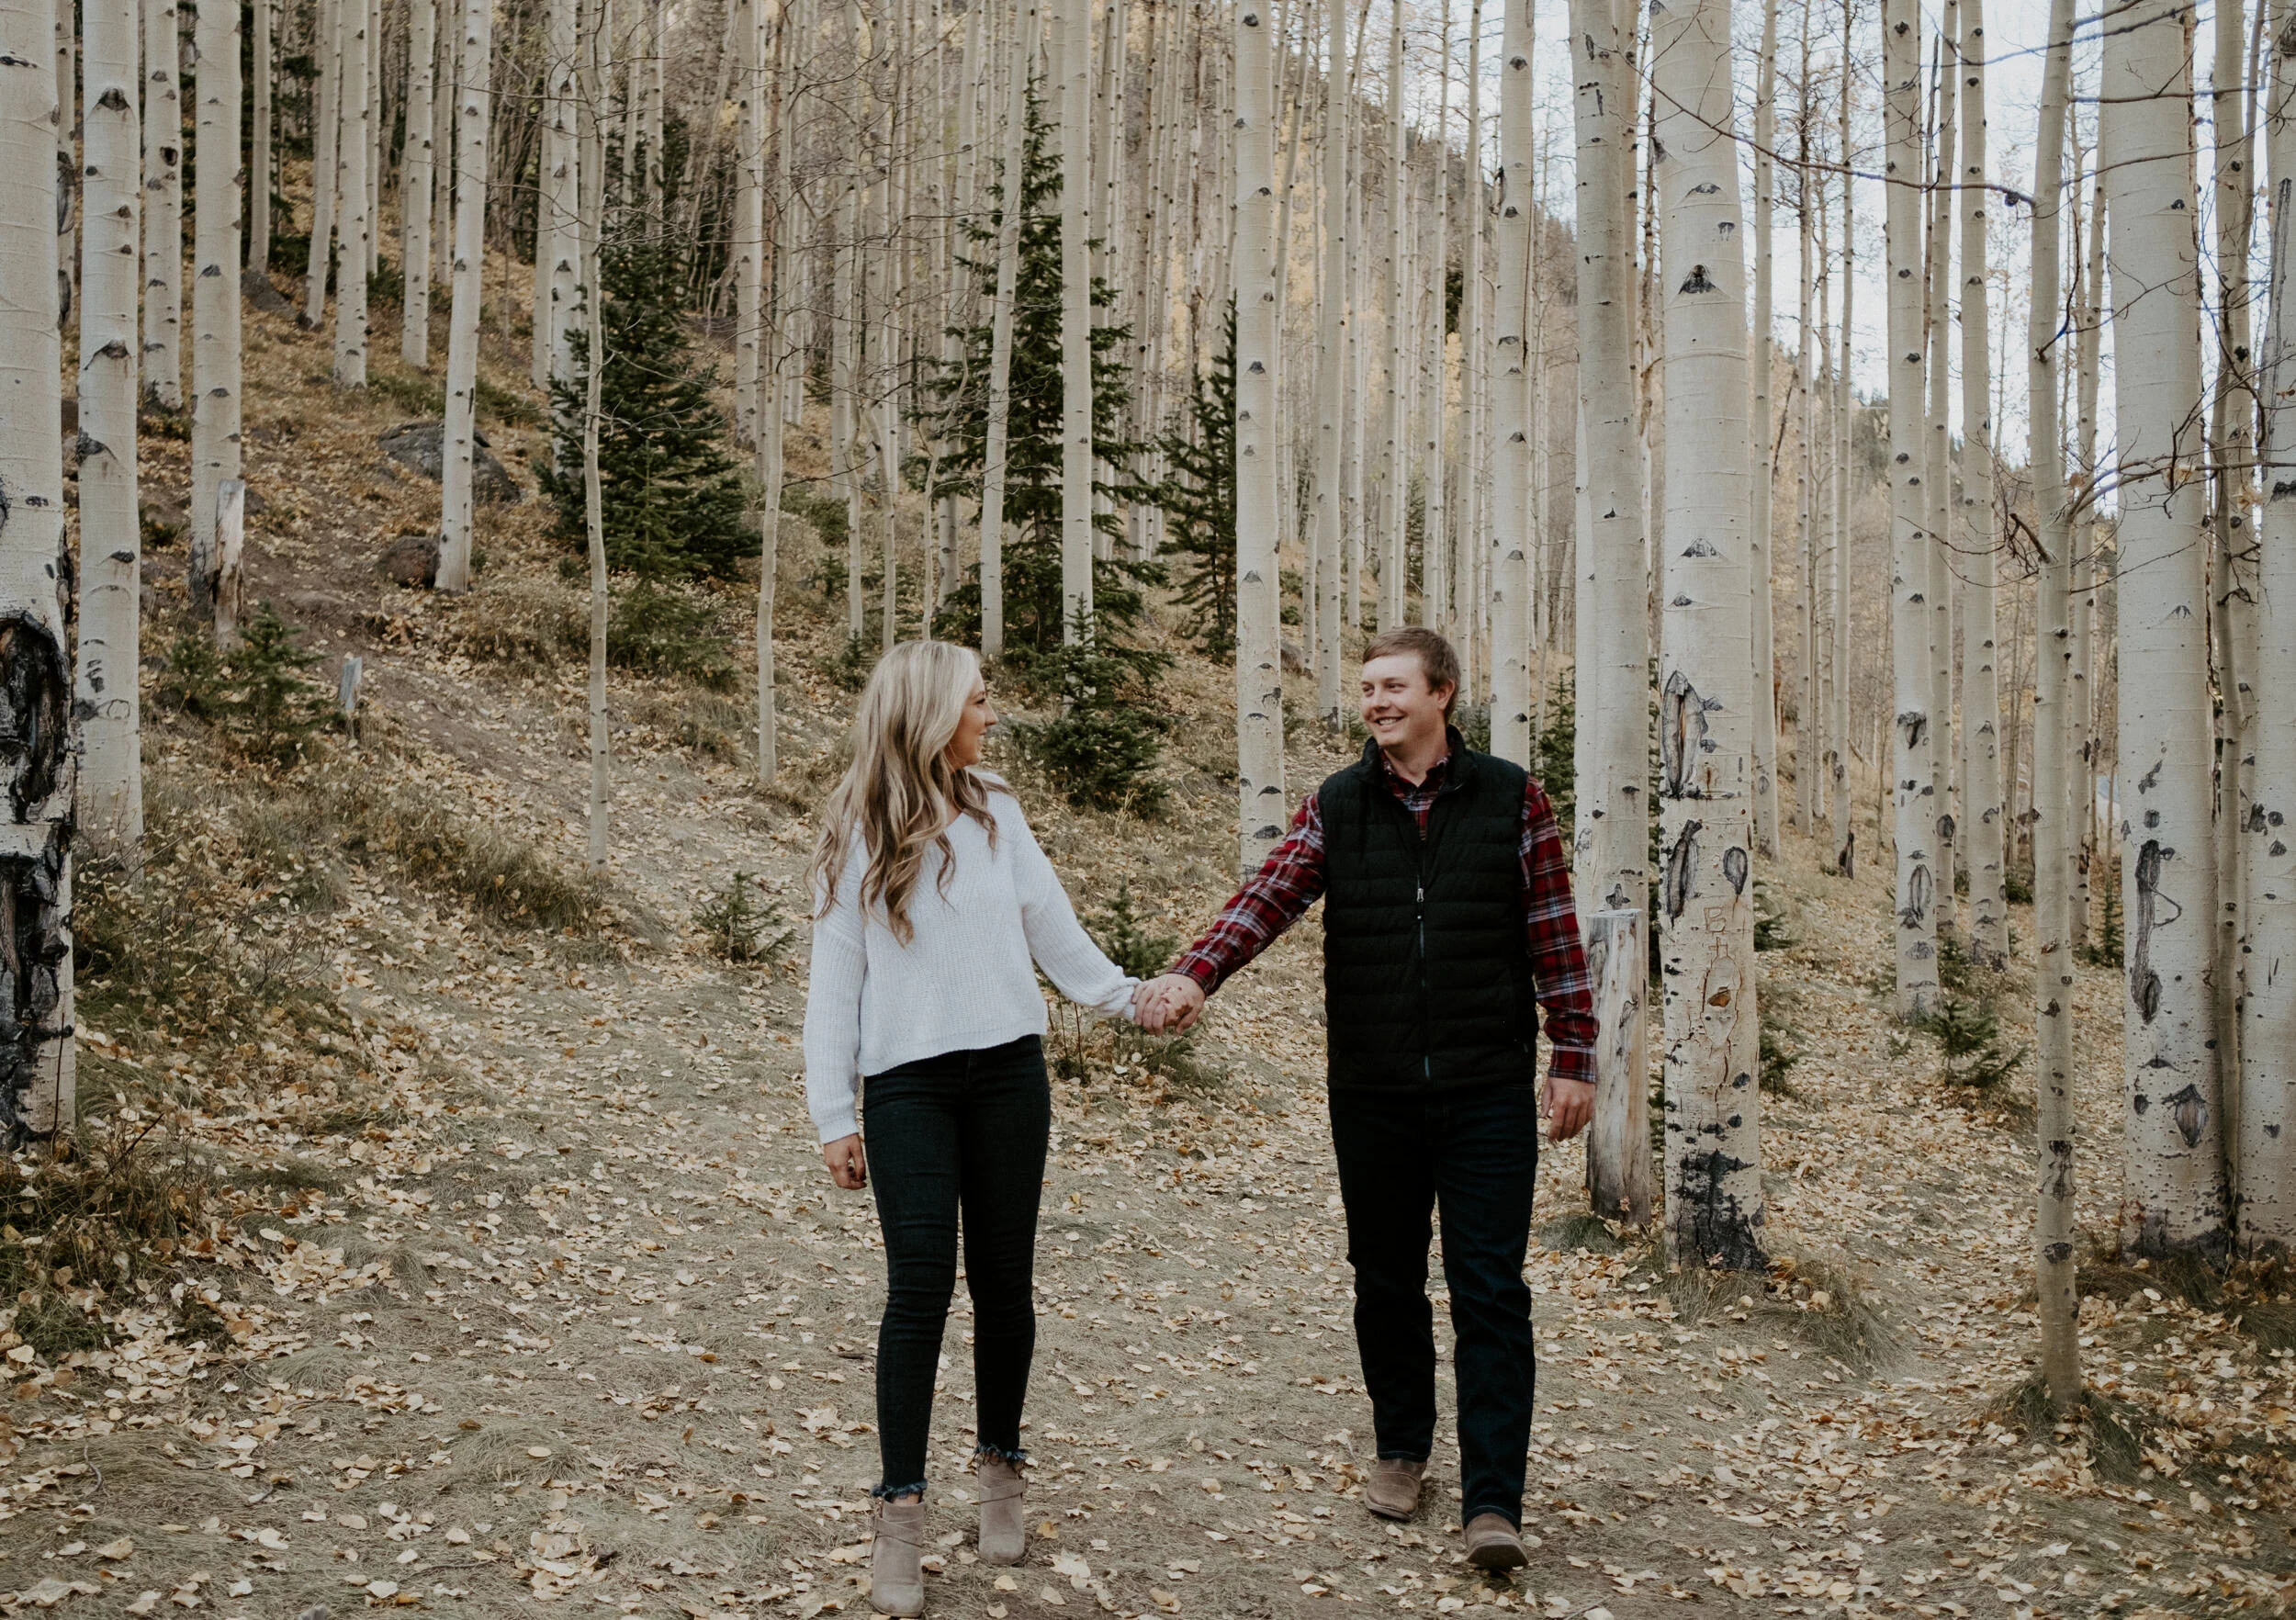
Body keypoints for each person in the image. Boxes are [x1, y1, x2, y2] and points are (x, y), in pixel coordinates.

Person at [1137, 625, 1598, 1570]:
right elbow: (1267, 897)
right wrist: (1195, 973)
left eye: (1395, 686)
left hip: (1486, 1089)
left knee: (1490, 1290)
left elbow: (1553, 928)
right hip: (1373, 1088)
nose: (1378, 702)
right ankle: (1400, 1449)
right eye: (1369, 688)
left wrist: (1575, 1051)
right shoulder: (1338, 804)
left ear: (1442, 694)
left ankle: (1493, 1501)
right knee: (1385, 1280)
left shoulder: (1513, 797)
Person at [804, 641, 1141, 1618]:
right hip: (905, 1086)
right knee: (918, 1289)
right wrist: (833, 1113)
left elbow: (1052, 927)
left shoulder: (995, 807)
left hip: (1007, 1078)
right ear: (930, 712)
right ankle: (899, 1511)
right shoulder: (859, 823)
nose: (991, 715)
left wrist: (1129, 997)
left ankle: (1001, 1469)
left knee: (1003, 1280)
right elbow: (834, 980)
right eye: (977, 700)